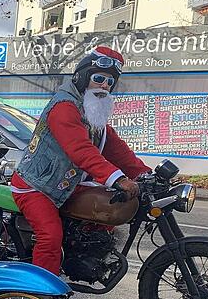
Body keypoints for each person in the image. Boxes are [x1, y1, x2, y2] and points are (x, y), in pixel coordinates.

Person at [11, 46, 150, 275]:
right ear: (83, 76)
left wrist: (146, 175)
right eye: (99, 78)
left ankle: (81, 262)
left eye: (109, 82)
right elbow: (80, 150)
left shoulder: (92, 112)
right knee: (50, 237)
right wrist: (117, 178)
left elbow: (118, 151)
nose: (104, 85)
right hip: (36, 185)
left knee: (106, 211)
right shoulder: (64, 107)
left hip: (67, 185)